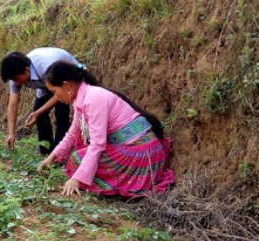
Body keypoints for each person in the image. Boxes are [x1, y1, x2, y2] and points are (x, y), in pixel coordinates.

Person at [37, 61, 175, 197]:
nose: (56, 97)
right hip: (138, 147)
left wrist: (77, 179)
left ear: (67, 85)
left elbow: (97, 144)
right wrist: (51, 158)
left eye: (55, 92)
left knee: (77, 159)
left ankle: (109, 185)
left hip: (143, 154)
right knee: (78, 156)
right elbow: (72, 134)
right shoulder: (83, 99)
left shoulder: (93, 99)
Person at [0, 48, 78, 155]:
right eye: (14, 81)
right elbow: (13, 104)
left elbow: (59, 94)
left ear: (27, 71)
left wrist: (38, 112)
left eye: (18, 80)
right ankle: (46, 153)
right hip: (45, 84)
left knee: (61, 111)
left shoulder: (46, 66)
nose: (17, 84)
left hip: (66, 80)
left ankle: (59, 154)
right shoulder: (15, 76)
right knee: (39, 112)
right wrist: (11, 134)